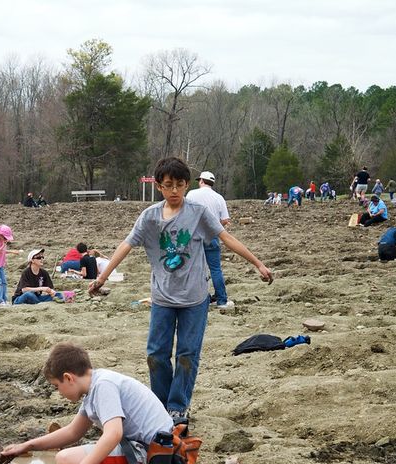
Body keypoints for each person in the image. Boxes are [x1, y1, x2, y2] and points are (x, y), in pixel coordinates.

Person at [89, 156, 273, 422]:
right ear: (159, 186)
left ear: (187, 185)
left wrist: (258, 264)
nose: (174, 191)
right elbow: (126, 245)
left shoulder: (198, 213)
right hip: (162, 298)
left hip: (195, 299)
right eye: (168, 185)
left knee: (187, 355)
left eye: (179, 185)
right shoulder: (149, 217)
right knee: (156, 355)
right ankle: (159, 406)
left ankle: (177, 407)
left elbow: (226, 237)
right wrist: (102, 278)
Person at [0, 343, 173, 464]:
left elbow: (113, 434)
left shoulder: (103, 386)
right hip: (146, 447)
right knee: (69, 461)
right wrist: (27, 445)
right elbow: (73, 432)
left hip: (156, 454)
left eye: (57, 386)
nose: (58, 392)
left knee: (65, 460)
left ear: (68, 378)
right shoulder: (94, 386)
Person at [186, 171, 233, 308]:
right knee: (215, 269)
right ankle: (222, 301)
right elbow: (225, 220)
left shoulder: (192, 194)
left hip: (194, 237)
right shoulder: (219, 198)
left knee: (193, 269)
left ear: (201, 181)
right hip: (212, 236)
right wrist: (214, 227)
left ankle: (195, 299)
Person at [0, 224, 21, 306]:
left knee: (4, 282)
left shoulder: (3, 241)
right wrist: (3, 246)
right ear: (0, 235)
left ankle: (4, 299)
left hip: (1, 265)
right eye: (5, 237)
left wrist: (12, 251)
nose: (6, 239)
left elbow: (3, 251)